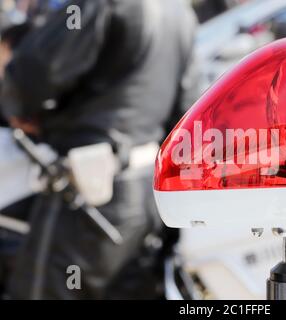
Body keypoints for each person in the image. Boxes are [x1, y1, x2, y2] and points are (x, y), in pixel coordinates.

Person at [0, 0, 197, 299]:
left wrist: (21, 110)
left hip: (88, 194)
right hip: (147, 194)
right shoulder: (179, 10)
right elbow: (188, 113)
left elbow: (34, 71)